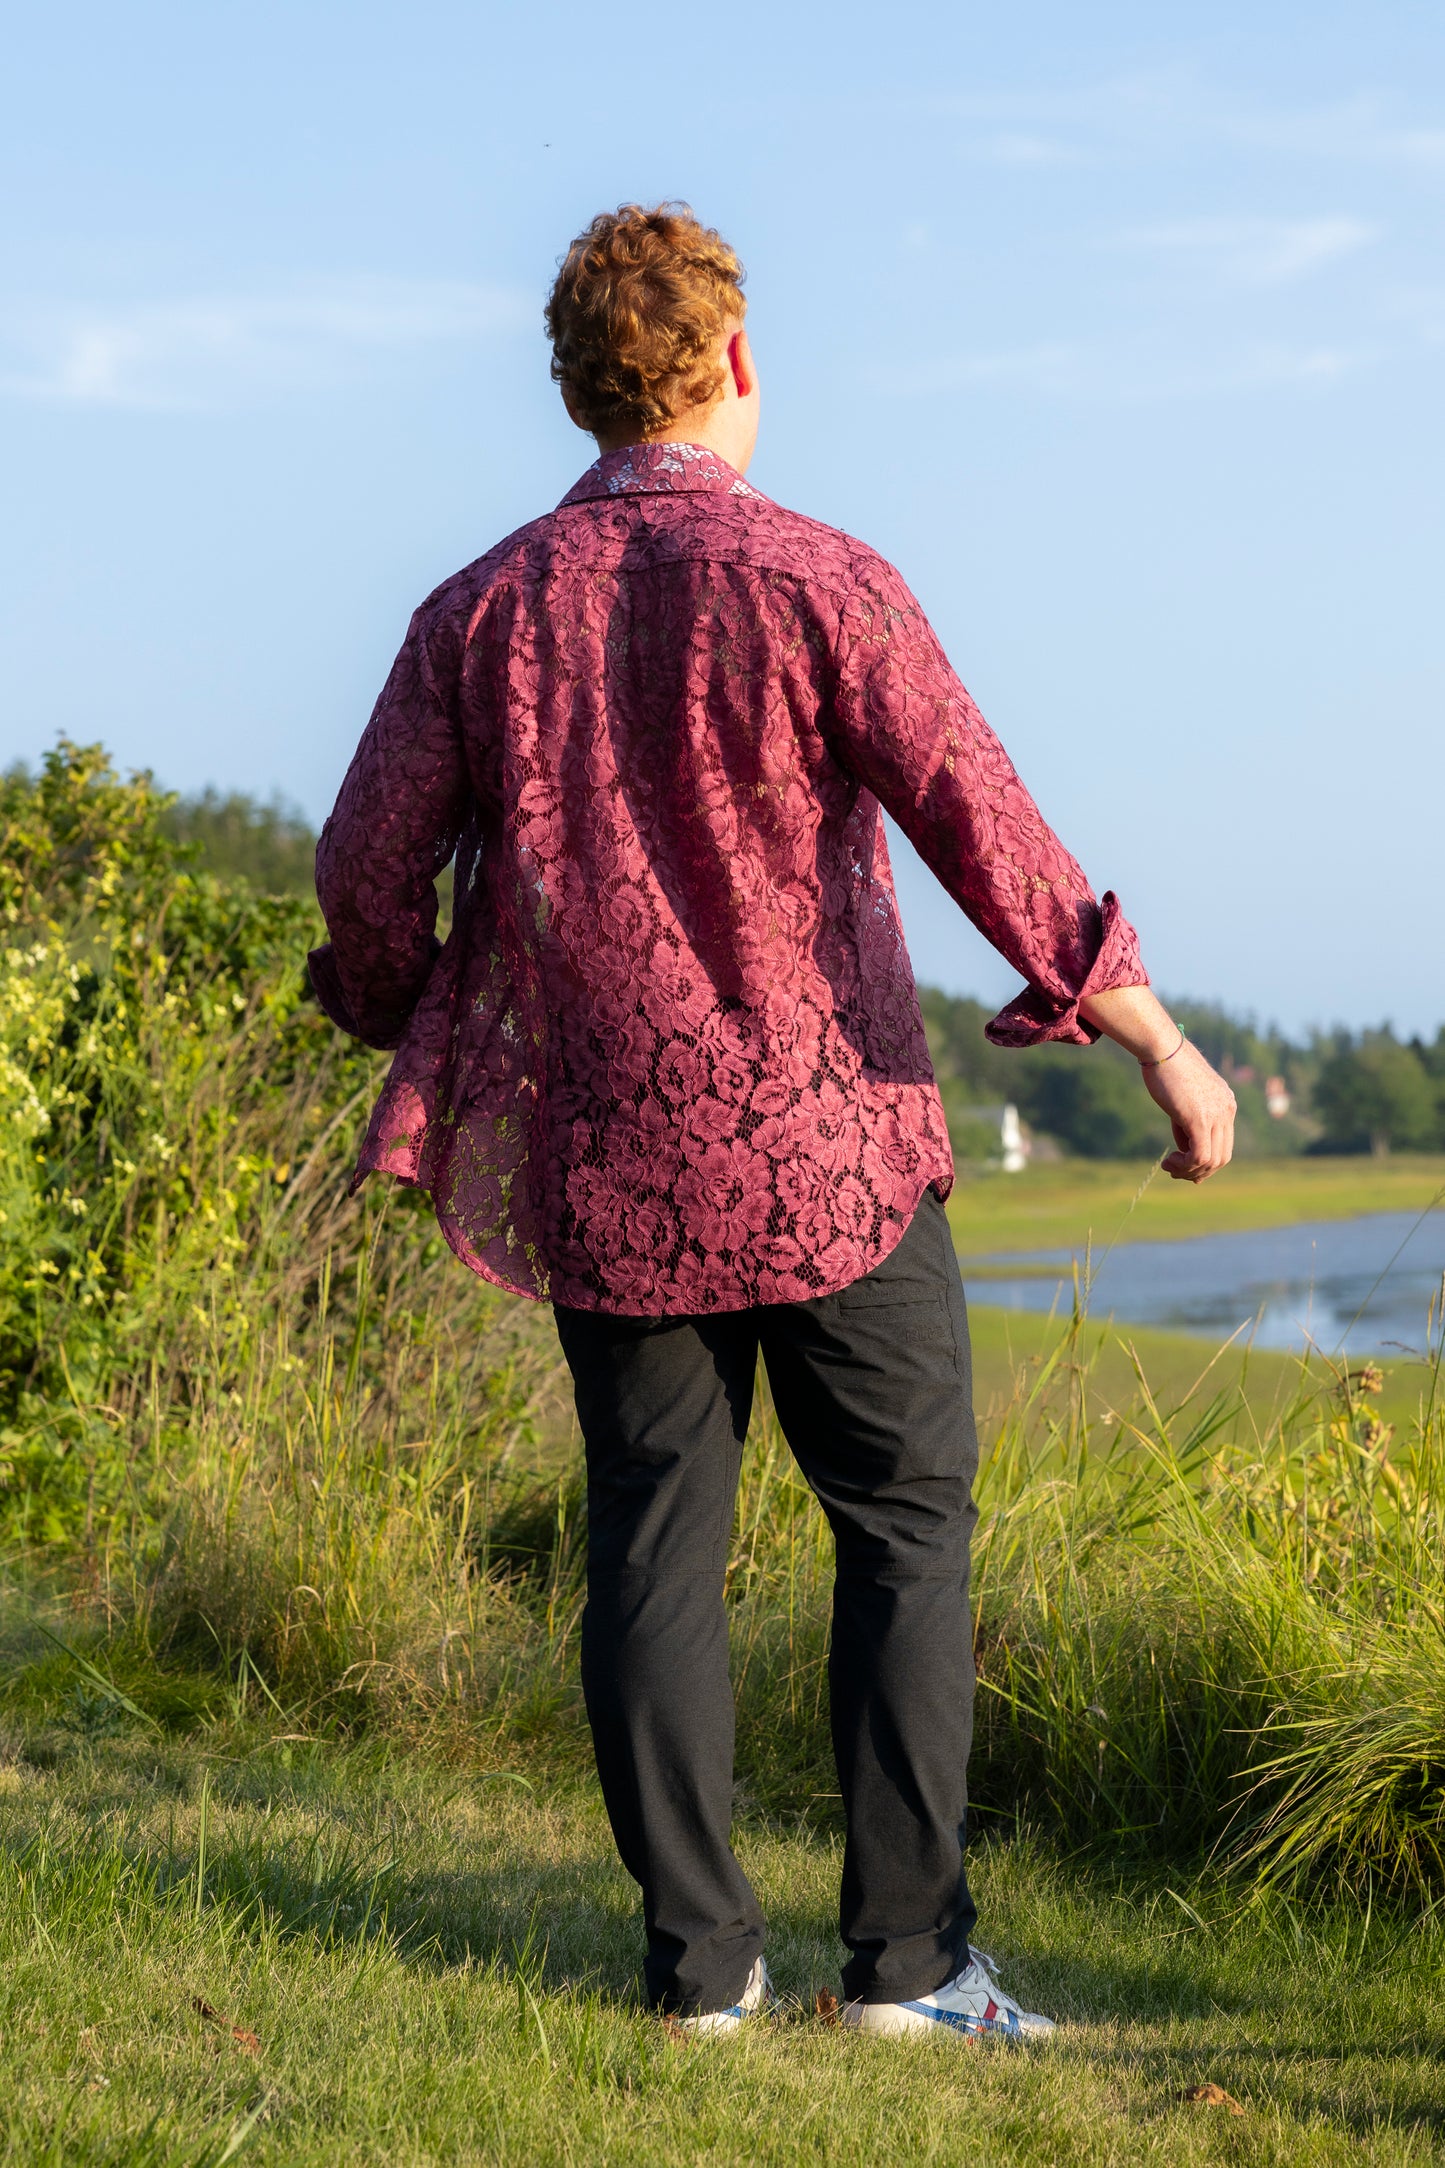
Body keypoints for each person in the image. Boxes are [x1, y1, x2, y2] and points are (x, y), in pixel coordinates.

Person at [310, 203, 1236, 2041]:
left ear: (579, 391)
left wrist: (409, 996)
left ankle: (700, 1978)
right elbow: (986, 822)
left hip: (607, 1161)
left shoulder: (480, 609)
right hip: (831, 1153)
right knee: (901, 1525)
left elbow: (362, 869)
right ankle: (907, 1970)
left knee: (653, 1535)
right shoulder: (824, 578)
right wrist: (1158, 1044)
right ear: (736, 362)